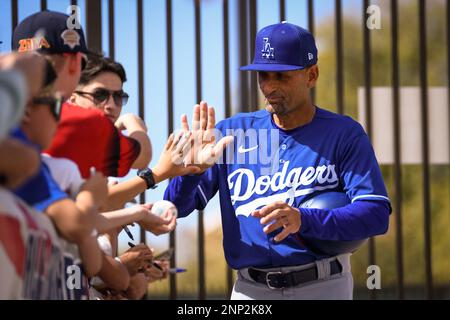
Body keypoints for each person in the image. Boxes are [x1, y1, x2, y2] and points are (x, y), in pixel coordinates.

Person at [164, 22, 391, 300]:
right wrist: (190, 172)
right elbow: (175, 208)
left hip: (323, 284)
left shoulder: (343, 133)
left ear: (312, 75)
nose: (269, 86)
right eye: (263, 75)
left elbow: (376, 213)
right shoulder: (232, 134)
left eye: (282, 76)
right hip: (251, 290)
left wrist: (304, 219)